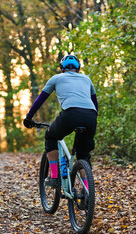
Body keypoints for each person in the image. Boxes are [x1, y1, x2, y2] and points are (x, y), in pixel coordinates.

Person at [23, 54, 98, 188]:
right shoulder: (87, 79)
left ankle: (54, 177)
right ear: (78, 69)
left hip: (71, 114)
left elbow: (40, 100)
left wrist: (29, 118)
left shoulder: (57, 78)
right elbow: (95, 104)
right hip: (91, 116)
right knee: (83, 155)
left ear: (62, 69)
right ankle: (87, 192)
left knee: (50, 135)